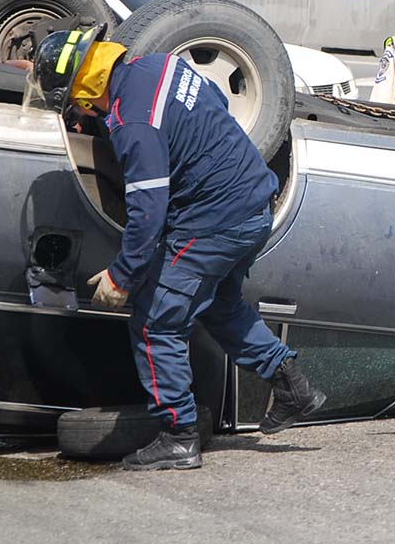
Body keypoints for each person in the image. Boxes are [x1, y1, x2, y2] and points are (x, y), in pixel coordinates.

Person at [28, 26, 326, 470]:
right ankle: (294, 387)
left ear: (86, 94)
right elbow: (215, 106)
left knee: (154, 321)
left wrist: (122, 276)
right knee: (220, 305)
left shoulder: (133, 125)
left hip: (214, 222)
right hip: (253, 205)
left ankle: (179, 435)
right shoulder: (160, 65)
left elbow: (147, 211)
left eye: (74, 101)